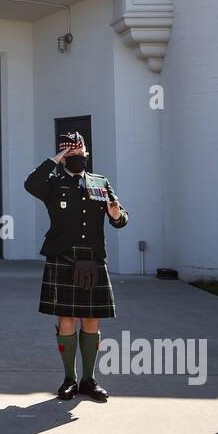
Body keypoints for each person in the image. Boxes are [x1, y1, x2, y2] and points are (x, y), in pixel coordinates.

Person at [24, 130, 128, 401]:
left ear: (87, 154)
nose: (76, 159)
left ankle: (89, 379)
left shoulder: (100, 182)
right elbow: (31, 183)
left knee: (91, 318)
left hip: (92, 258)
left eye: (79, 154)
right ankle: (69, 379)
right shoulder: (53, 183)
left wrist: (117, 215)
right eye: (70, 155)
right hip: (63, 257)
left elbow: (120, 217)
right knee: (66, 318)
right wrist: (56, 159)